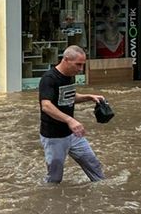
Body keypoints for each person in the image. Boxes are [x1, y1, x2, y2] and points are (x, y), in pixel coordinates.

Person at [38, 45, 106, 183]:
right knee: (54, 178)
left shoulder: (70, 76)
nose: (80, 69)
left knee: (94, 166)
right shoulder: (49, 78)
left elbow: (68, 96)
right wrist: (70, 120)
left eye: (82, 65)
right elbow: (46, 106)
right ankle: (50, 201)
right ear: (66, 60)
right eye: (78, 65)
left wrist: (89, 97)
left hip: (73, 134)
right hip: (54, 137)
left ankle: (104, 195)